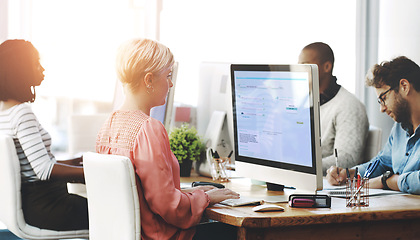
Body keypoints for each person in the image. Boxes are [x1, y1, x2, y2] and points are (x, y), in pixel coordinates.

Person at [96, 38, 240, 240]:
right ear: (148, 80)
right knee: (240, 232)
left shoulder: (109, 124)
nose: (171, 83)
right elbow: (167, 205)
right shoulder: (148, 128)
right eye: (168, 76)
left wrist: (193, 194)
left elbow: (147, 195)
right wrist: (205, 198)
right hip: (163, 236)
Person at [0, 39, 88, 230]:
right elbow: (43, 170)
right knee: (116, 210)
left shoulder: (4, 112)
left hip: (34, 204)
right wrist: (89, 173)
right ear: (20, 70)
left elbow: (34, 163)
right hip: (48, 205)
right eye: (35, 63)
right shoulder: (21, 113)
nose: (42, 69)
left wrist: (75, 161)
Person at [327, 56, 420, 194]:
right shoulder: (399, 128)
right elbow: (382, 163)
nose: (382, 109)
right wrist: (350, 174)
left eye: (383, 98)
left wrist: (389, 181)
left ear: (404, 87)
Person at [298, 42, 369, 174]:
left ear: (327, 66)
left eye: (305, 65)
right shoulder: (305, 101)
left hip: (325, 184)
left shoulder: (348, 105)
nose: (300, 71)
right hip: (301, 179)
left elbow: (348, 158)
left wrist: (301, 167)